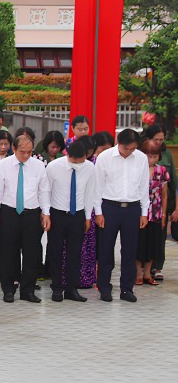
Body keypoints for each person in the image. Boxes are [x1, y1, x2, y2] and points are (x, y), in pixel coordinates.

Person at [0, 133, 50, 303]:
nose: (26, 155)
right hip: (9, 212)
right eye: (22, 151)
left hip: (32, 214)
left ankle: (28, 290)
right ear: (14, 149)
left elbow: (44, 190)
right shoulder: (3, 165)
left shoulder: (38, 166)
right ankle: (8, 289)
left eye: (29, 152)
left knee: (32, 253)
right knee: (9, 253)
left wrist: (46, 213)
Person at [95, 128, 149, 303]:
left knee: (129, 250)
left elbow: (143, 187)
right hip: (109, 207)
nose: (130, 152)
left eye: (133, 149)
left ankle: (126, 289)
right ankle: (104, 287)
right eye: (127, 149)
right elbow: (97, 187)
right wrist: (99, 212)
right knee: (105, 249)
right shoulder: (104, 158)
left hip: (132, 208)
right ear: (119, 143)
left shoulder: (141, 158)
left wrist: (143, 212)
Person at [44, 141, 97, 302]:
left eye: (81, 161)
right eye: (74, 161)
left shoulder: (89, 167)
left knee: (75, 253)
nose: (78, 165)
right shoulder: (54, 167)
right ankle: (57, 287)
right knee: (55, 252)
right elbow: (46, 191)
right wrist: (46, 213)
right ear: (67, 155)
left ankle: (71, 289)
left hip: (78, 215)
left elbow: (89, 193)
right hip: (57, 214)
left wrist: (88, 216)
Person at [137, 141, 169, 287]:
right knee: (139, 242)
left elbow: (164, 194)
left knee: (153, 242)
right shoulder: (137, 169)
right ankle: (138, 273)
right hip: (139, 211)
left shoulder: (162, 171)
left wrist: (163, 214)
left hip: (155, 211)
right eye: (149, 156)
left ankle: (148, 273)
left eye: (154, 156)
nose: (151, 159)